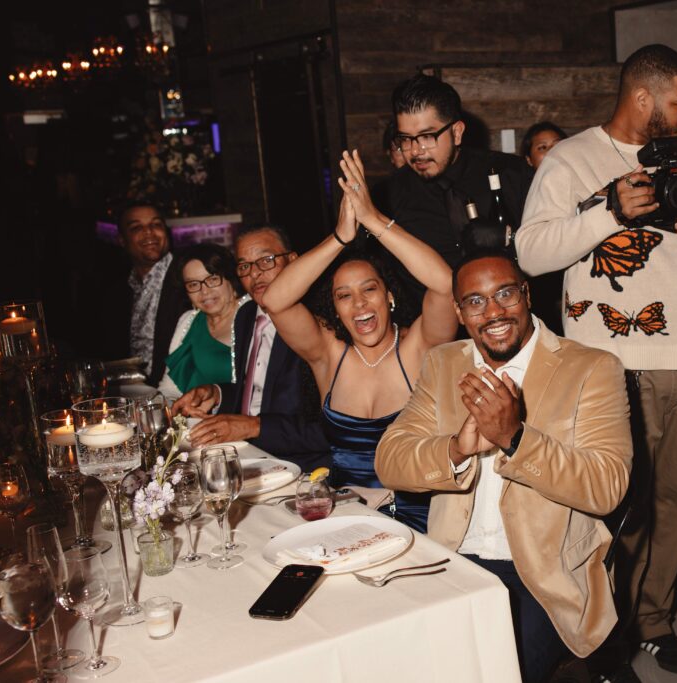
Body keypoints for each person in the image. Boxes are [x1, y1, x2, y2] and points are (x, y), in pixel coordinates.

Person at [516, 44, 677, 680]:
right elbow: (532, 251)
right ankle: (603, 635)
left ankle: (654, 620)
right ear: (643, 97)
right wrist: (610, 211)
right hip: (610, 364)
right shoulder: (571, 158)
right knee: (616, 509)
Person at [375, 251, 632, 682]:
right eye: (475, 301)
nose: (493, 312)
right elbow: (389, 460)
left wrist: (516, 438)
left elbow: (606, 487)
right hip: (451, 561)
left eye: (505, 294)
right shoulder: (443, 363)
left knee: (492, 672)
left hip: (544, 577)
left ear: (526, 294)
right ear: (459, 312)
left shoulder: (592, 368)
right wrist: (456, 449)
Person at [259, 150, 459, 532]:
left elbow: (447, 285)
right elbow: (275, 300)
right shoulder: (327, 355)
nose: (360, 304)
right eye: (344, 296)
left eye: (369, 289)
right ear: (335, 310)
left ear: (389, 296)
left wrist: (374, 220)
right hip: (346, 517)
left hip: (420, 520)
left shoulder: (419, 346)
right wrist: (340, 238)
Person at [171, 225, 330, 473]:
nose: (255, 273)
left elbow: (331, 429)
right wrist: (216, 393)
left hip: (302, 466)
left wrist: (254, 426)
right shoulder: (245, 315)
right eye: (244, 266)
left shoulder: (318, 322)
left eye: (266, 261)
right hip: (246, 455)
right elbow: (257, 394)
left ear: (293, 260)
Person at [385, 73, 534, 295]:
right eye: (405, 139)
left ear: (456, 132)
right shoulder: (390, 194)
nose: (415, 151)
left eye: (427, 137)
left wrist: (511, 238)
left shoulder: (512, 173)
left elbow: (552, 246)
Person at [156, 243, 251, 401]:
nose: (204, 291)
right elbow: (169, 389)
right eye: (193, 284)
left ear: (230, 278)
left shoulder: (253, 315)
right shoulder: (188, 321)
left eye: (212, 279)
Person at [118, 203, 191, 386]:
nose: (149, 232)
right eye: (136, 227)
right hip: (128, 388)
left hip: (176, 388)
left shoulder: (186, 276)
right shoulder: (119, 285)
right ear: (122, 240)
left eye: (156, 224)